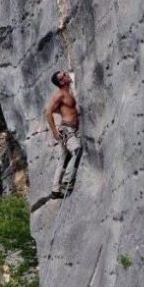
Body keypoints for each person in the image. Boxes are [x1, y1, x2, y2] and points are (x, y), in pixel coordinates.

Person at [46, 70, 82, 199]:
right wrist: (54, 131)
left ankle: (55, 190)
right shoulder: (60, 94)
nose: (67, 75)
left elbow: (64, 109)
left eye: (65, 73)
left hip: (70, 130)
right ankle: (66, 183)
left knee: (62, 159)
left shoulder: (67, 93)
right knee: (77, 151)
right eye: (64, 75)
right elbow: (48, 112)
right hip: (67, 130)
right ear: (62, 81)